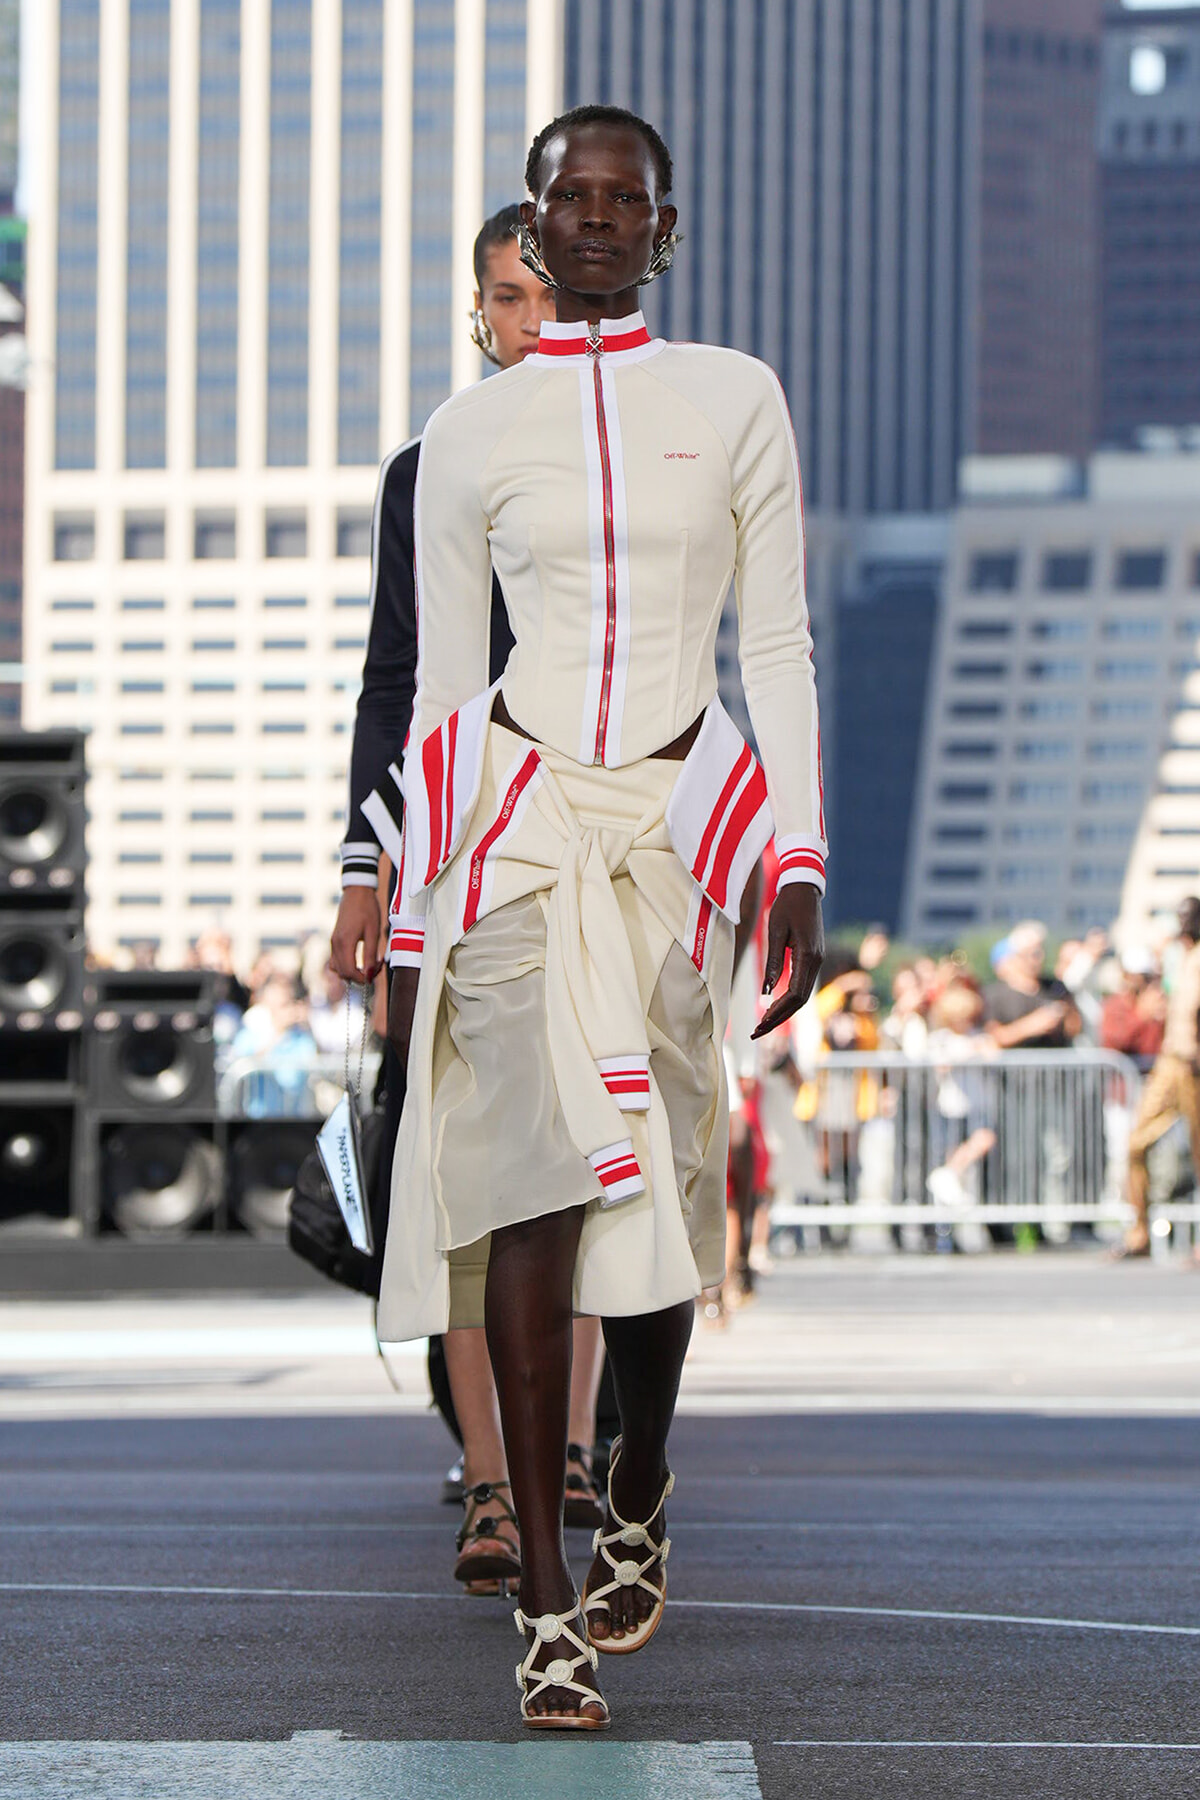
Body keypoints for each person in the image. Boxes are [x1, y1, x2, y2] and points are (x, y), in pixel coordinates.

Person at [379, 104, 825, 1729]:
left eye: (623, 199)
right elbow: (440, 687)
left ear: (663, 229)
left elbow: (773, 648)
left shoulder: (735, 399)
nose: (593, 218)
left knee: (668, 1204)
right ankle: (548, 1604)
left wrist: (799, 858)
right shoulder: (468, 434)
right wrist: (409, 913)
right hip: (515, 830)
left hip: (676, 832)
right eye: (568, 196)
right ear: (534, 219)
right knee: (529, 1190)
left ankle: (639, 1475)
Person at [329, 205, 607, 1594]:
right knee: (455, 1173)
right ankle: (492, 1485)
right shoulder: (428, 469)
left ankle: (574, 1454)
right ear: (481, 316)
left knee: (591, 1162)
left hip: (597, 845)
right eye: (507, 298)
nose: (529, 320)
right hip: (450, 849)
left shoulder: (630, 456)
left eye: (547, 294)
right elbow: (394, 678)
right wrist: (361, 869)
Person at [1120, 897, 1200, 1258]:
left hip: (1194, 1062)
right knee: (1136, 1142)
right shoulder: (1176, 957)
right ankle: (1139, 1231)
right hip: (1171, 1060)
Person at [984, 922, 1082, 1051]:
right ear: (1017, 955)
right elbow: (993, 1036)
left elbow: (1075, 1027)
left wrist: (1064, 1016)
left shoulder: (1057, 987)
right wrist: (1031, 1026)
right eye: (1032, 953)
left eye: (1040, 951)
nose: (1038, 959)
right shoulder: (994, 994)